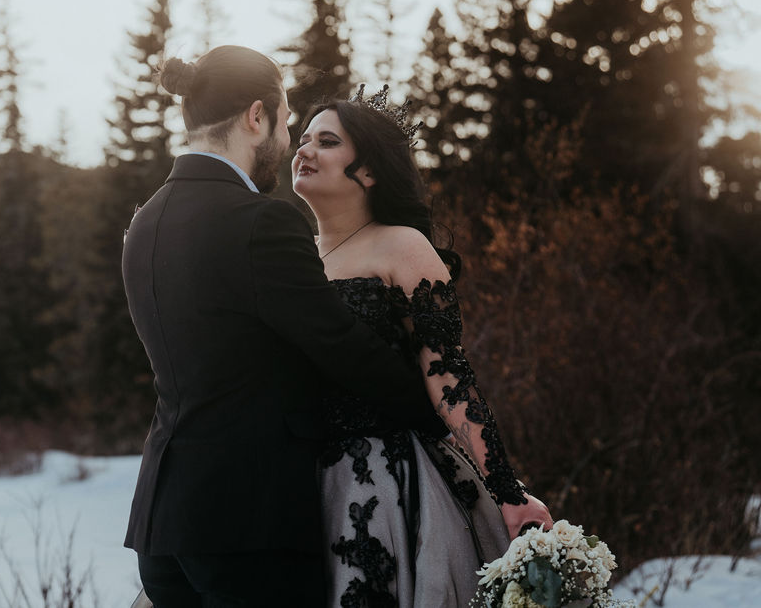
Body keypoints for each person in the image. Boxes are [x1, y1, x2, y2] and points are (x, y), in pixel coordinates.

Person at [121, 47, 450, 608]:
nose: (289, 136)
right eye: (287, 117)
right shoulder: (260, 221)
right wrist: (439, 430)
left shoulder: (145, 221)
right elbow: (340, 344)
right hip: (247, 522)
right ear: (256, 115)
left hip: (162, 522)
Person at [292, 85, 553, 607]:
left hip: (384, 486)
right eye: (302, 139)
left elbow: (449, 378)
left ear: (367, 171)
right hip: (296, 481)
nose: (303, 150)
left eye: (325, 141)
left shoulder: (402, 245)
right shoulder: (292, 256)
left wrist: (505, 488)